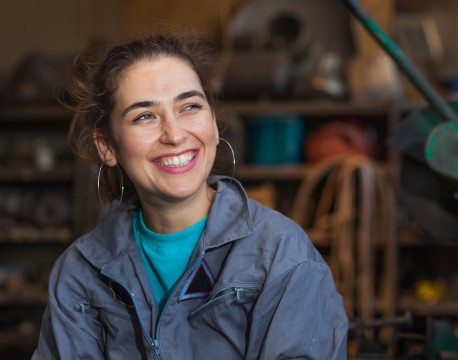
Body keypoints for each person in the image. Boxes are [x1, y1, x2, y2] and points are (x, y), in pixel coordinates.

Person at [32, 32, 349, 359]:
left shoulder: (281, 255)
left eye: (190, 106)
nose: (175, 134)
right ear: (107, 146)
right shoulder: (79, 272)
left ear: (212, 121)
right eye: (144, 116)